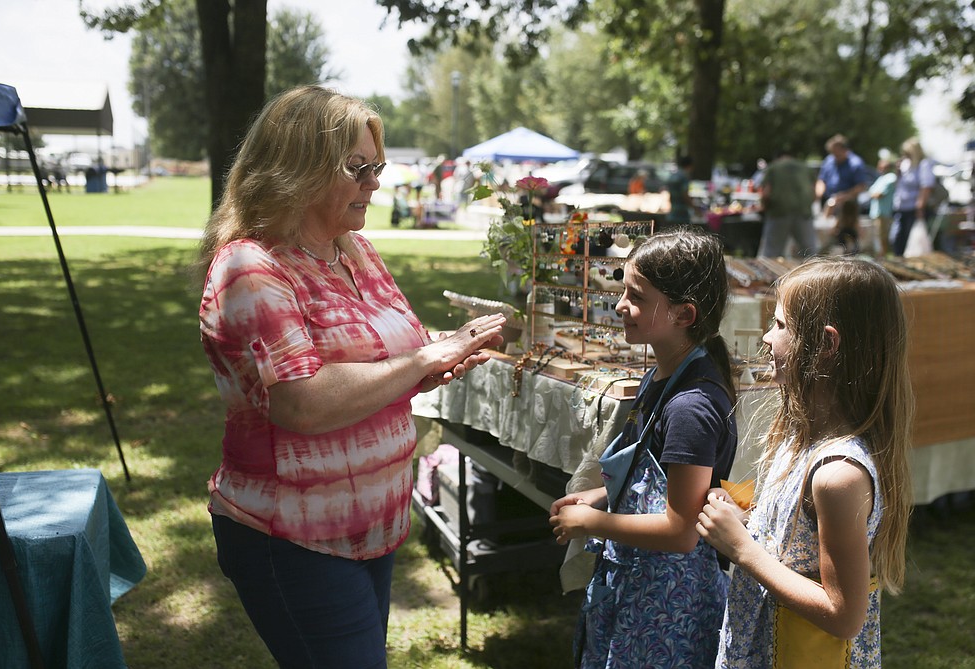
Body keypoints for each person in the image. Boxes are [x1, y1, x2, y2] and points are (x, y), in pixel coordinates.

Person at [197, 85, 506, 669]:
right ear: (299, 171)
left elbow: (392, 353)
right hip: (290, 535)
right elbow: (301, 403)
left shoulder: (353, 249)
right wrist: (421, 363)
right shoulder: (251, 266)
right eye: (357, 167)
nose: (375, 183)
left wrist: (445, 350)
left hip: (370, 527)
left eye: (378, 166)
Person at [697, 257, 913, 668]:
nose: (765, 337)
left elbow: (845, 615)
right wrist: (748, 522)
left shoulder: (838, 475)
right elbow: (797, 545)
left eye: (779, 326)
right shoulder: (801, 439)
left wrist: (742, 549)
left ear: (826, 345)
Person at [549, 229, 738, 668]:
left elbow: (681, 530)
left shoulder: (691, 407)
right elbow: (653, 475)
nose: (619, 306)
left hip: (668, 604)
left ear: (683, 314)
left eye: (636, 296)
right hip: (640, 584)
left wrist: (593, 520)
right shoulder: (664, 374)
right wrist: (600, 494)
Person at [757, 151, 817, 258]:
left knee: (771, 253)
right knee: (810, 253)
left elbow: (766, 193)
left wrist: (764, 207)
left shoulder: (773, 168)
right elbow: (814, 191)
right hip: (803, 213)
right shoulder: (805, 167)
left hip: (778, 212)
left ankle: (769, 275)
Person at [815, 134, 871, 240]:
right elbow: (821, 179)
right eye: (833, 153)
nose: (835, 156)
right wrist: (818, 193)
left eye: (837, 153)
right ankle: (826, 239)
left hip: (849, 203)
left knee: (848, 227)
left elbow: (861, 186)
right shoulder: (829, 160)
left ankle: (852, 241)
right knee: (828, 215)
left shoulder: (856, 163)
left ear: (845, 150)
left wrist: (843, 196)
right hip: (830, 200)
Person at [890, 137, 937, 256]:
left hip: (914, 209)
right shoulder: (905, 164)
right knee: (896, 239)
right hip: (901, 208)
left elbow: (926, 187)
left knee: (910, 241)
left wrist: (920, 206)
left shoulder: (923, 164)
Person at [868, 157, 898, 256]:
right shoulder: (881, 178)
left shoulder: (891, 177)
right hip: (876, 213)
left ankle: (883, 257)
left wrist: (872, 194)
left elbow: (878, 194)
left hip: (884, 213)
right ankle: (880, 257)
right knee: (877, 236)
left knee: (883, 236)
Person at [665, 156, 695, 226]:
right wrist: (695, 208)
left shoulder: (673, 175)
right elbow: (685, 194)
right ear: (690, 165)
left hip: (672, 212)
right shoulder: (684, 176)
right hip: (682, 214)